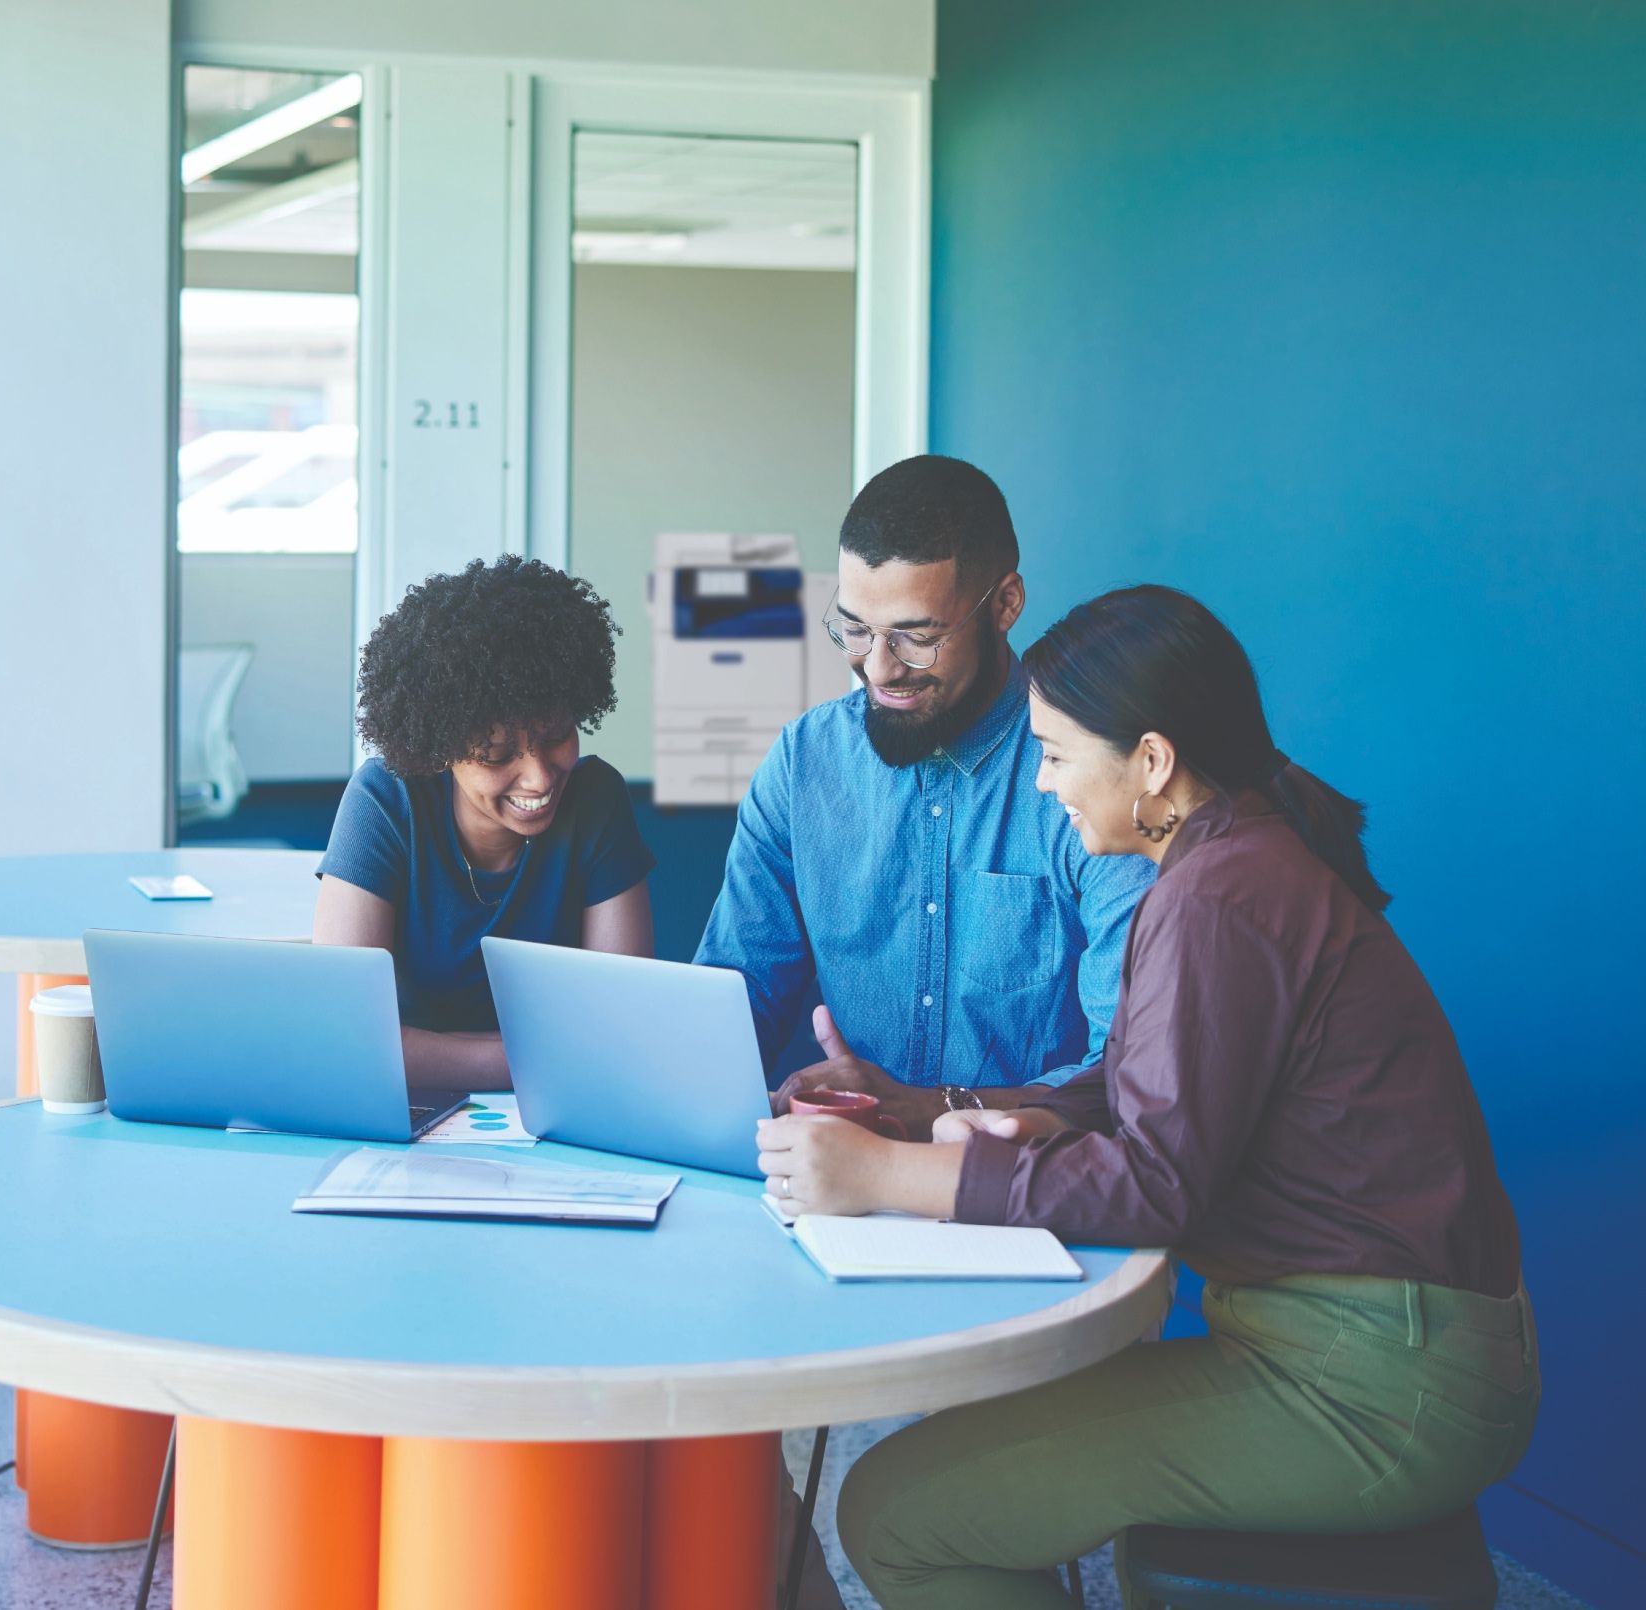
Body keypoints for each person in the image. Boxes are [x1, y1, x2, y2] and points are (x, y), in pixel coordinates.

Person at [758, 585, 1538, 1609]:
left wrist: (888, 1173)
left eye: (1056, 753)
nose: (1043, 785)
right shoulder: (1237, 859)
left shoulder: (1219, 894)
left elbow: (1154, 1185)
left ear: (1153, 762)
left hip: (1375, 1385)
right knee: (969, 1479)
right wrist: (927, 1106)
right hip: (1385, 1349)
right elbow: (1152, 1080)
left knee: (898, 1514)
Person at [696, 456, 1156, 1132]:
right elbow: (731, 1007)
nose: (878, 668)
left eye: (917, 637)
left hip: (1035, 1192)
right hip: (835, 1183)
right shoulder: (804, 763)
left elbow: (1128, 1068)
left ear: (1004, 604)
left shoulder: (1089, 775)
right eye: (855, 629)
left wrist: (933, 1109)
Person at [313, 555, 654, 1094]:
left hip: (567, 1117)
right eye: (497, 755)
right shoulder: (386, 799)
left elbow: (625, 1023)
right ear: (438, 749)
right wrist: (538, 1059)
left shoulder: (595, 801)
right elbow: (342, 1034)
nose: (539, 777)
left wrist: (410, 1050)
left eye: (556, 736)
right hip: (406, 1117)